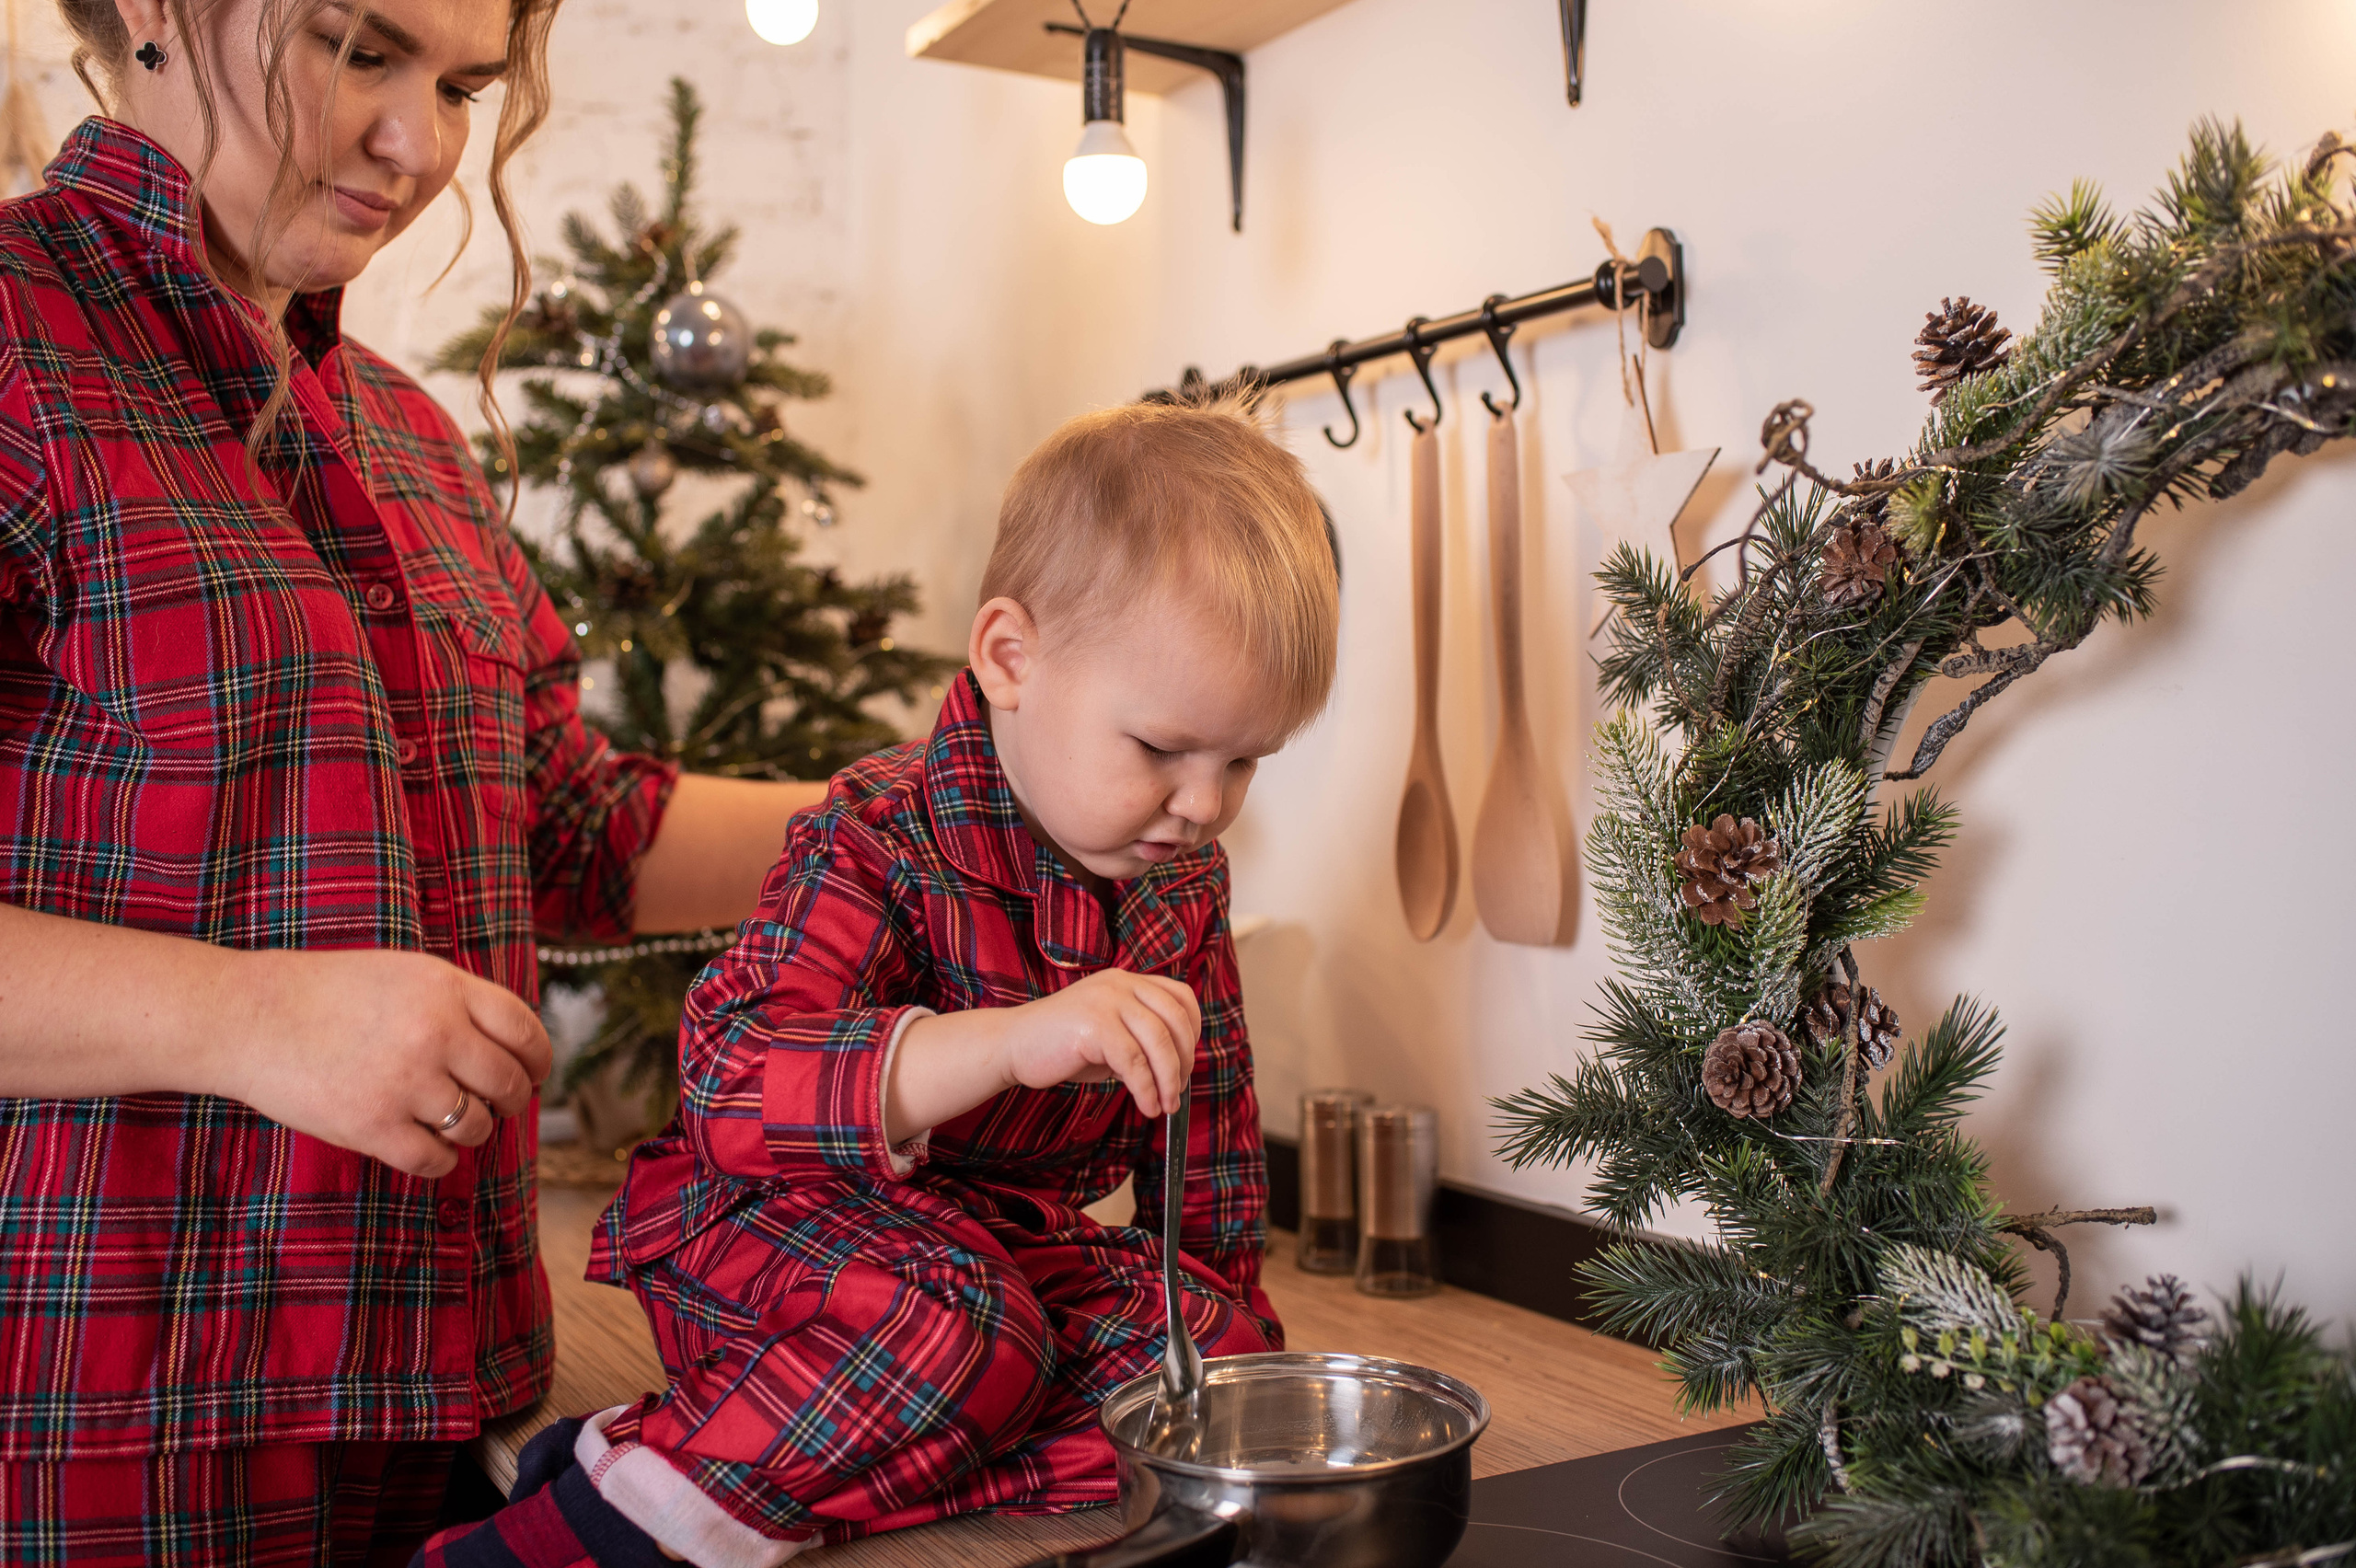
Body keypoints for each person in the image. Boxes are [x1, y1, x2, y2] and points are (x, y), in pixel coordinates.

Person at [0, 1, 828, 1561]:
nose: (421, 144)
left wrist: (953, 802)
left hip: (449, 1413)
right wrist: (248, 1017)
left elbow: (573, 831)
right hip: (96, 1437)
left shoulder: (410, 438)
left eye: (461, 87)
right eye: (360, 51)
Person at [419, 398, 1341, 1566]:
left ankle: (688, 1453)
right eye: (1161, 749)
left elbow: (1208, 1133)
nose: (1204, 804)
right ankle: (582, 1527)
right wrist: (1009, 1041)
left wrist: (1223, 1354)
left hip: (994, 1254)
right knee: (960, 1331)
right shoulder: (875, 835)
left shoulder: (1180, 882)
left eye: (1243, 761)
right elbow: (733, 1086)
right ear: (1010, 659)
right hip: (777, 1233)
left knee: (1206, 1364)